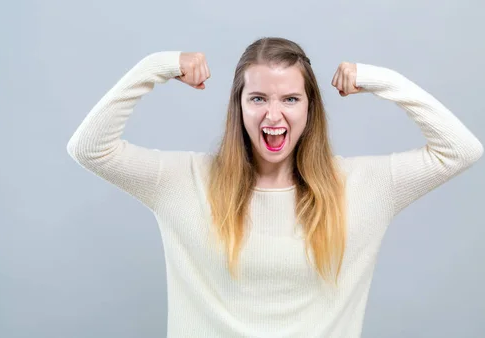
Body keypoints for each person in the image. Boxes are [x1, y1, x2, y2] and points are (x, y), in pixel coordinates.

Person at [66, 37, 483, 337]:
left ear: (310, 107)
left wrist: (380, 79)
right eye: (259, 98)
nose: (273, 116)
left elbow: (460, 150)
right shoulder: (182, 181)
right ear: (239, 106)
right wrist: (155, 66)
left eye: (290, 99)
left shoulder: (359, 187)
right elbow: (89, 149)